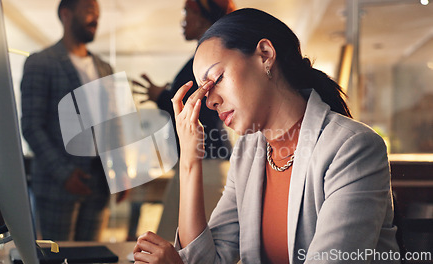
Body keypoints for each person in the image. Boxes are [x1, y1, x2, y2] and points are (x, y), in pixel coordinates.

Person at [133, 8, 400, 263]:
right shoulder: (249, 152)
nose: (210, 101)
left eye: (216, 79)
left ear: (264, 54)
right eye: (204, 91)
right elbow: (209, 259)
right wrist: (190, 160)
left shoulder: (352, 147)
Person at [131, 0, 236, 242]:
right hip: (200, 160)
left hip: (206, 162)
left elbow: (199, 105)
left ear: (202, 17)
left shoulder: (210, 58)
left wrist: (162, 96)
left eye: (187, 12)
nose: (183, 20)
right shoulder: (203, 58)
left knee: (185, 243)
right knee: (175, 238)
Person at [21, 0, 122, 241]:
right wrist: (64, 174)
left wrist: (120, 170)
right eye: (88, 10)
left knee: (93, 257)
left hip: (100, 185)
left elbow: (114, 123)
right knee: (57, 256)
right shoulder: (41, 62)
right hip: (58, 185)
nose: (96, 18)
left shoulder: (104, 67)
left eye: (97, 12)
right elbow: (31, 125)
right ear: (66, 14)